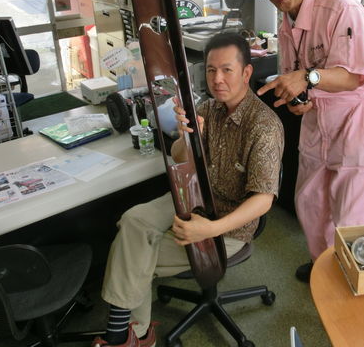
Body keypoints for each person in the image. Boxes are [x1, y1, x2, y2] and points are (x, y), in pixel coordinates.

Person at [93, 32, 284, 347]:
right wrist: (186, 137)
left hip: (229, 224)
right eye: (211, 70)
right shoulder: (208, 108)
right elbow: (181, 159)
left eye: (227, 70)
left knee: (136, 257)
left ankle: (129, 335)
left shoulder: (263, 126)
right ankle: (132, 333)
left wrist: (211, 229)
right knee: (133, 221)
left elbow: (263, 200)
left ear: (246, 72)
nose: (217, 79)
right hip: (194, 197)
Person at [252, 0, 364, 283]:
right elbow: (298, 79)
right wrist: (298, 100)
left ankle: (355, 281)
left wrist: (306, 77)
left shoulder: (341, 10)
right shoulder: (286, 26)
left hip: (355, 122)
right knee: (311, 204)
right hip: (318, 122)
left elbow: (354, 76)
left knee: (353, 214)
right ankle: (324, 265)